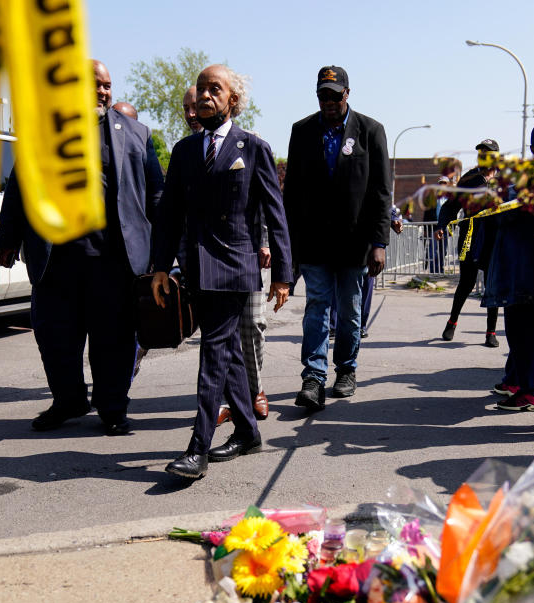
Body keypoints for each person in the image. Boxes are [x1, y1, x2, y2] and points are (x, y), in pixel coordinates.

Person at [0, 60, 164, 435]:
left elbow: (156, 194)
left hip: (114, 262)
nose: (103, 92)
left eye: (107, 85)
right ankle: (68, 401)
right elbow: (18, 189)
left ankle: (112, 408)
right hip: (56, 260)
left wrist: (161, 254)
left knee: (114, 341)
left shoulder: (136, 134)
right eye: (95, 85)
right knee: (55, 339)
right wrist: (6, 241)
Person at [152, 64, 292, 480]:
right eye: (202, 89)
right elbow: (169, 214)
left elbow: (275, 213)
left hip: (236, 269)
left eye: (216, 89)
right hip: (196, 269)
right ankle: (248, 432)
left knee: (213, 353)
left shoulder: (253, 148)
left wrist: (283, 274)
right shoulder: (184, 151)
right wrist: (160, 267)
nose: (206, 95)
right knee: (228, 352)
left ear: (233, 100)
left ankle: (197, 450)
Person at [283, 65, 390, 409]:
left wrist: (379, 243)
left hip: (354, 244)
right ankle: (313, 377)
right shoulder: (301, 131)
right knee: (316, 309)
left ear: (347, 94)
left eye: (334, 94)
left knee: (349, 311)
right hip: (314, 243)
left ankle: (346, 368)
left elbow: (380, 192)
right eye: (322, 95)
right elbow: (293, 192)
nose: (328, 101)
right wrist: (289, 244)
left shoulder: (371, 131)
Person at [180, 86, 273, 427]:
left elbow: (262, 202)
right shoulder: (188, 151)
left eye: (198, 104)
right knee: (217, 337)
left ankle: (255, 389)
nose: (193, 112)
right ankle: (222, 408)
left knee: (251, 326)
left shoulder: (248, 143)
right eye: (187, 108)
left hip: (244, 255)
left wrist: (265, 243)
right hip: (201, 258)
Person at [484, 121, 534, 413]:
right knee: (519, 329)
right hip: (516, 267)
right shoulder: (528, 177)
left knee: (533, 330)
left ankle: (531, 391)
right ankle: (517, 380)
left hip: (533, 269)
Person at [436, 139, 501, 347]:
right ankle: (452, 322)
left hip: (494, 239)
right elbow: (451, 205)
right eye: (481, 154)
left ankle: (491, 332)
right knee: (466, 283)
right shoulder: (470, 178)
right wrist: (442, 225)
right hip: (471, 237)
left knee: (493, 284)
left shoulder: (505, 181)